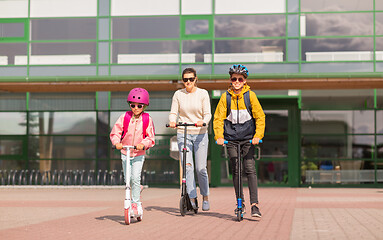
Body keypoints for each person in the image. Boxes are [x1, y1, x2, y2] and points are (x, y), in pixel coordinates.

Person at [213, 64, 265, 218]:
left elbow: (260, 117)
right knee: (236, 169)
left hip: (249, 138)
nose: (236, 81)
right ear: (230, 80)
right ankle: (239, 204)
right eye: (233, 78)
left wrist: (258, 136)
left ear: (244, 81)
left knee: (250, 169)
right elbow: (218, 119)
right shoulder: (225, 97)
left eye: (239, 79)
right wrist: (219, 136)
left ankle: (254, 205)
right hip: (231, 139)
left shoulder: (251, 96)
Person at [169, 67, 211, 211]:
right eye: (185, 79)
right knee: (188, 168)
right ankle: (192, 199)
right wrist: (172, 121)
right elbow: (173, 112)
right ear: (182, 80)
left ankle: (205, 196)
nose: (188, 82)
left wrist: (203, 121)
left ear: (196, 79)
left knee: (201, 169)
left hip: (200, 133)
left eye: (191, 79)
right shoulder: (178, 94)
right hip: (184, 132)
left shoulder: (203, 94)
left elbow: (207, 114)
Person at [110, 88, 155, 219]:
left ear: (144, 106)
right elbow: (116, 132)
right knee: (127, 180)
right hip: (125, 151)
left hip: (138, 153)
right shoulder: (124, 117)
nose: (136, 108)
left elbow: (150, 137)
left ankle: (135, 203)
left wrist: (144, 144)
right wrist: (116, 142)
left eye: (139, 106)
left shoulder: (147, 119)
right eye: (133, 105)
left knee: (135, 178)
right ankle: (136, 190)